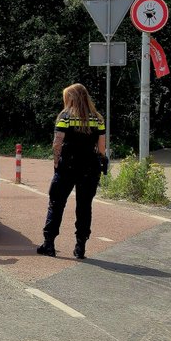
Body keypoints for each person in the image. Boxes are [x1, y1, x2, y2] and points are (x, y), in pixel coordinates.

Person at [37, 83, 108, 259]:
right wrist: (100, 161)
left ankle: (49, 244)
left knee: (56, 203)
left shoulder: (65, 116)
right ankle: (80, 247)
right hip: (90, 167)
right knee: (84, 207)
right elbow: (101, 148)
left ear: (71, 98)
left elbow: (57, 142)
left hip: (67, 165)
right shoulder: (98, 118)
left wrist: (56, 163)